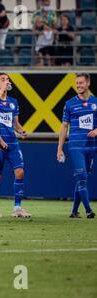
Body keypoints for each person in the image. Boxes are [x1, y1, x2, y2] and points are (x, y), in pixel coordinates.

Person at [0, 73, 31, 218]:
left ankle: (17, 208)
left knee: (20, 172)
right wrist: (0, 90)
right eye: (2, 79)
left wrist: (21, 130)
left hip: (12, 142)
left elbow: (15, 123)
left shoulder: (13, 101)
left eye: (7, 79)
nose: (6, 81)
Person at [57, 73, 97, 219]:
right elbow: (64, 127)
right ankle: (88, 210)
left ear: (88, 83)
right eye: (77, 83)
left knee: (82, 179)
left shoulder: (95, 102)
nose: (78, 85)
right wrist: (59, 148)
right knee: (81, 176)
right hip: (76, 146)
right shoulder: (69, 104)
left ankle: (74, 211)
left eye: (81, 83)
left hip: (91, 147)